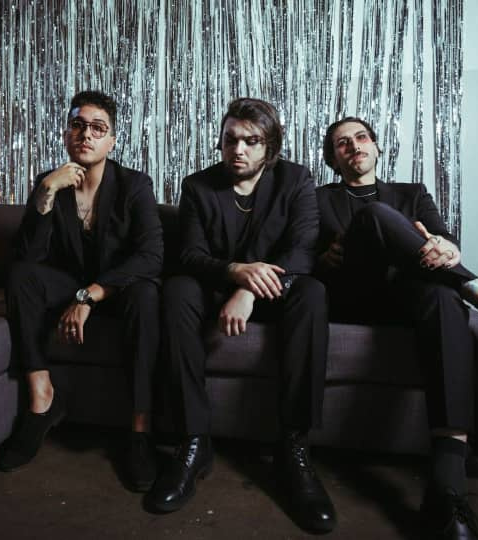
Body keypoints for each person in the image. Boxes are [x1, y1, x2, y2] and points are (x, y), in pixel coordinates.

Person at [317, 116, 478, 539]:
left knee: (443, 295)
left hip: (410, 297)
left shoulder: (412, 193)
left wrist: (445, 246)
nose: (354, 146)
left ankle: (447, 487)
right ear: (333, 158)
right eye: (342, 143)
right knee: (375, 216)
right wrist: (320, 259)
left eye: (361, 138)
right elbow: (303, 255)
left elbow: (441, 239)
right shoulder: (318, 198)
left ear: (376, 147)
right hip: (355, 296)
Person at [147, 98, 336, 533]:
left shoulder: (296, 180)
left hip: (275, 289)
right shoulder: (198, 186)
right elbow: (191, 254)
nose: (239, 149)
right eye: (231, 139)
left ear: (270, 147)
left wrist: (249, 289)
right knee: (177, 289)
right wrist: (235, 272)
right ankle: (193, 441)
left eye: (252, 141)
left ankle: (294, 447)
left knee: (312, 292)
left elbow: (303, 251)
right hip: (216, 284)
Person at [0, 91, 164, 492]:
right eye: (78, 125)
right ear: (66, 134)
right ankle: (41, 400)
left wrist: (89, 296)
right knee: (21, 275)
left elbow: (150, 257)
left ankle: (140, 431)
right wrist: (46, 191)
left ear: (111, 141)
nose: (86, 134)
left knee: (146, 295)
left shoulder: (134, 185)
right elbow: (28, 257)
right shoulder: (51, 182)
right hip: (68, 286)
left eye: (97, 128)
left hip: (116, 291)